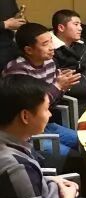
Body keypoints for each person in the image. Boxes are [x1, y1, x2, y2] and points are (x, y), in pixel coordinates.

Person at [0, 75, 86, 198]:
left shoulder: (12, 141)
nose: (50, 114)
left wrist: (53, 180)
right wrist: (68, 197)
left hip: (52, 196)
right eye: (46, 109)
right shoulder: (17, 167)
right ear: (25, 116)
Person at [3, 23, 81, 159]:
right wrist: (57, 86)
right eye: (45, 44)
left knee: (85, 144)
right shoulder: (17, 70)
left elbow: (51, 101)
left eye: (51, 41)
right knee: (74, 158)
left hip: (45, 124)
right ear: (29, 50)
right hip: (25, 133)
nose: (52, 47)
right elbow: (30, 108)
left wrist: (63, 87)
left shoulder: (49, 63)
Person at [52, 9, 86, 114]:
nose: (80, 28)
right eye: (76, 24)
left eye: (80, 24)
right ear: (61, 27)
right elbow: (62, 83)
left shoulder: (80, 44)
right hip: (72, 103)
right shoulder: (52, 50)